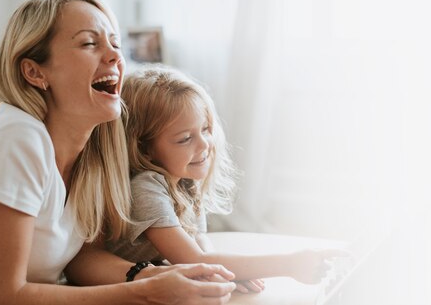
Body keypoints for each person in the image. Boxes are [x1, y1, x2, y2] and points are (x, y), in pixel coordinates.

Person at [0, 0, 237, 305]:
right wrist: (146, 292)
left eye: (115, 43)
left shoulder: (92, 145)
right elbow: (1, 297)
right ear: (35, 72)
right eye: (89, 43)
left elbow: (84, 256)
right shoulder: (17, 139)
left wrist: (155, 276)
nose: (114, 56)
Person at [110, 65, 348, 293]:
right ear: (144, 149)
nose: (204, 144)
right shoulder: (146, 188)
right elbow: (194, 259)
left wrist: (225, 272)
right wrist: (290, 264)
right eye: (185, 139)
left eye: (205, 129)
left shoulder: (183, 180)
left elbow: (199, 242)